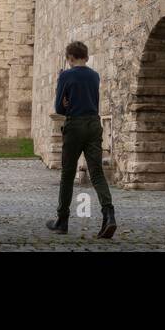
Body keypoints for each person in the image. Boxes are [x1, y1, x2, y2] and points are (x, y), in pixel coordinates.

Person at [46, 41, 116, 238]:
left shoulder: (66, 75)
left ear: (69, 58)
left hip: (75, 124)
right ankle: (109, 215)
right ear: (85, 56)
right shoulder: (94, 75)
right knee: (97, 172)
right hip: (94, 124)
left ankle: (62, 220)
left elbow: (59, 108)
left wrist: (67, 101)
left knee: (68, 174)